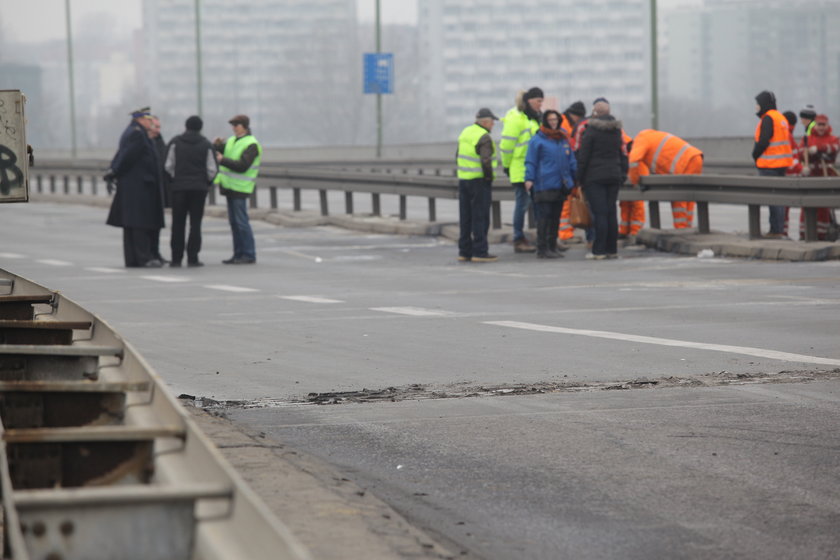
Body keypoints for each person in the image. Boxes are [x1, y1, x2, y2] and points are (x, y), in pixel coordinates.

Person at [105, 106, 166, 268]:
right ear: (139, 119)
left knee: (133, 225)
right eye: (148, 120)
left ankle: (134, 259)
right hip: (138, 187)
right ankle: (142, 258)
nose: (150, 122)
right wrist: (115, 171)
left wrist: (113, 171)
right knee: (139, 224)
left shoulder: (134, 132)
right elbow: (126, 157)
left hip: (136, 186)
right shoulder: (137, 134)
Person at [576, 104, 627, 260]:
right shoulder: (616, 131)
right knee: (611, 212)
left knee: (600, 213)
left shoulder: (591, 131)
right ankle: (612, 249)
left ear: (595, 113)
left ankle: (599, 250)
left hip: (595, 177)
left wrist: (579, 178)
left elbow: (583, 157)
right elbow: (623, 154)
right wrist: (622, 174)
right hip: (613, 176)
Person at [165, 115, 218, 267]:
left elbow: (168, 165)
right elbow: (212, 169)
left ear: (186, 126)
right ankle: (193, 258)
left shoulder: (175, 142)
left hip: (179, 189)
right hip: (199, 189)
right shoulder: (206, 144)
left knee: (178, 224)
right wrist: (206, 182)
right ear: (200, 127)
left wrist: (174, 181)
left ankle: (176, 258)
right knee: (195, 223)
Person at [627, 128, 704, 230]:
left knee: (678, 199)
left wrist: (635, 182)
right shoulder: (651, 137)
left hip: (683, 164)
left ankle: (681, 229)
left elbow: (633, 160)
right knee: (688, 198)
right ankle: (687, 228)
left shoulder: (640, 139)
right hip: (695, 157)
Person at [524, 110, 576, 259]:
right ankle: (542, 248)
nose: (553, 122)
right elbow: (531, 161)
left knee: (555, 217)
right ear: (545, 121)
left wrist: (574, 177)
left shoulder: (562, 138)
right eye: (550, 120)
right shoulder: (537, 140)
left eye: (555, 119)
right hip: (543, 184)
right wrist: (529, 178)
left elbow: (570, 159)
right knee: (544, 217)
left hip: (560, 184)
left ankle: (552, 246)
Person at [500, 87, 543, 253]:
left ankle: (543, 237)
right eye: (538, 100)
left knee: (539, 204)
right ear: (529, 101)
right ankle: (518, 238)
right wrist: (508, 166)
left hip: (535, 169)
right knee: (523, 204)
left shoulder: (533, 119)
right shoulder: (517, 119)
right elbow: (506, 146)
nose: (541, 104)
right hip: (520, 169)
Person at [214, 114, 261, 264]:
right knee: (234, 223)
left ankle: (248, 254)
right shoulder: (232, 141)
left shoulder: (251, 144)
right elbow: (218, 152)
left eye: (236, 125)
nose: (234, 128)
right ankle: (238, 254)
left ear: (245, 126)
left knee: (241, 222)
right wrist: (216, 145)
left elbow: (242, 165)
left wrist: (223, 160)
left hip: (241, 188)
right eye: (232, 125)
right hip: (229, 186)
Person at [456, 108, 499, 263]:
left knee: (465, 216)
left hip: (464, 179)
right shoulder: (484, 137)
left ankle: (464, 251)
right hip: (479, 182)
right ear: (485, 122)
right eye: (492, 122)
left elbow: (457, 155)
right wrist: (489, 177)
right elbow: (486, 160)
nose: (493, 124)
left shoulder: (465, 132)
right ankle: (480, 251)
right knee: (480, 217)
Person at [752, 90, 793, 238]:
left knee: (772, 199)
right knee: (779, 199)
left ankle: (775, 231)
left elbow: (763, 141)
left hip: (770, 164)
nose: (756, 107)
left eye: (757, 104)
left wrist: (755, 155)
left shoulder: (768, 118)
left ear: (763, 104)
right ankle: (778, 229)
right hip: (781, 164)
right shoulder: (780, 117)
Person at [798, 114, 839, 240]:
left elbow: (834, 148)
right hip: (811, 176)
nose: (821, 127)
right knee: (807, 204)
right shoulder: (808, 139)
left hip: (825, 176)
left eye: (823, 125)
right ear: (815, 125)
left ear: (827, 125)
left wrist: (819, 149)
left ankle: (823, 233)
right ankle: (805, 233)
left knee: (823, 207)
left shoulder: (833, 139)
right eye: (819, 124)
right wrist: (805, 155)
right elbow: (800, 153)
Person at [147, 115, 169, 263]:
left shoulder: (161, 143)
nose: (158, 130)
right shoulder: (144, 142)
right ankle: (148, 253)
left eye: (159, 127)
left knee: (157, 225)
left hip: (159, 191)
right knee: (147, 226)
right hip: (147, 190)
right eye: (155, 126)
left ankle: (156, 253)